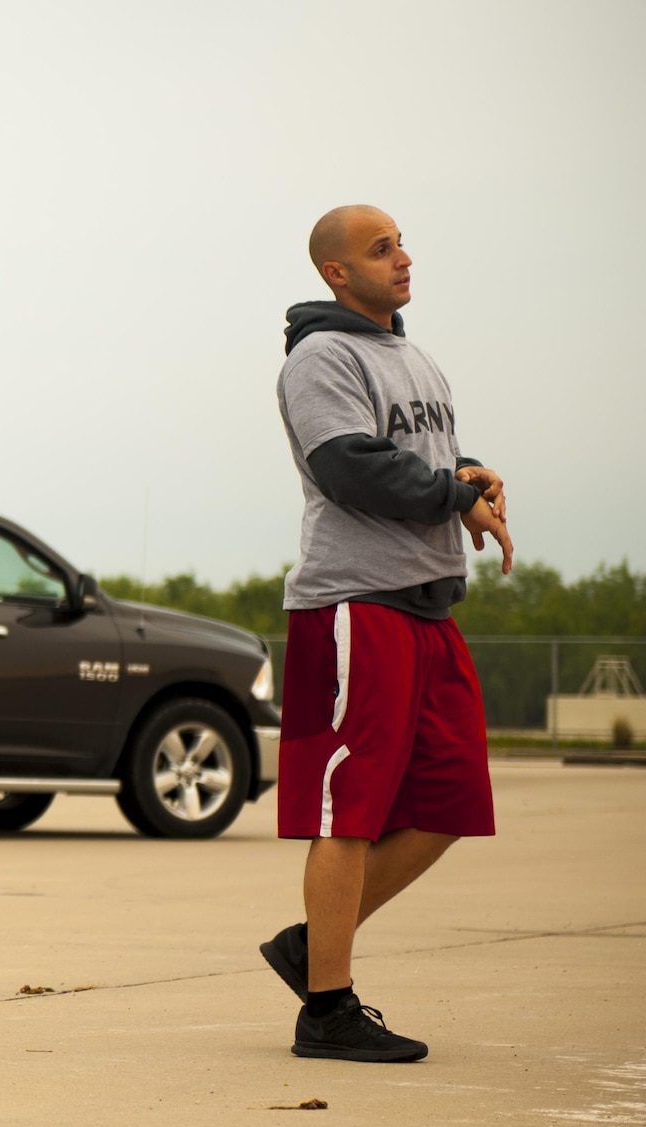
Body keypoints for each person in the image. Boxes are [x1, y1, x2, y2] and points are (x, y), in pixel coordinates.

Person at [261, 205, 513, 1062]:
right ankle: (325, 1007)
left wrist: (468, 474)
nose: (403, 257)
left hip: (428, 605)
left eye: (401, 242)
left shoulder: (412, 354)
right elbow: (352, 466)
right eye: (381, 248)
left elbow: (419, 456)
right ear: (336, 272)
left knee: (451, 797)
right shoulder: (320, 356)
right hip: (355, 605)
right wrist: (452, 493)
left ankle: (309, 945)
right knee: (349, 810)